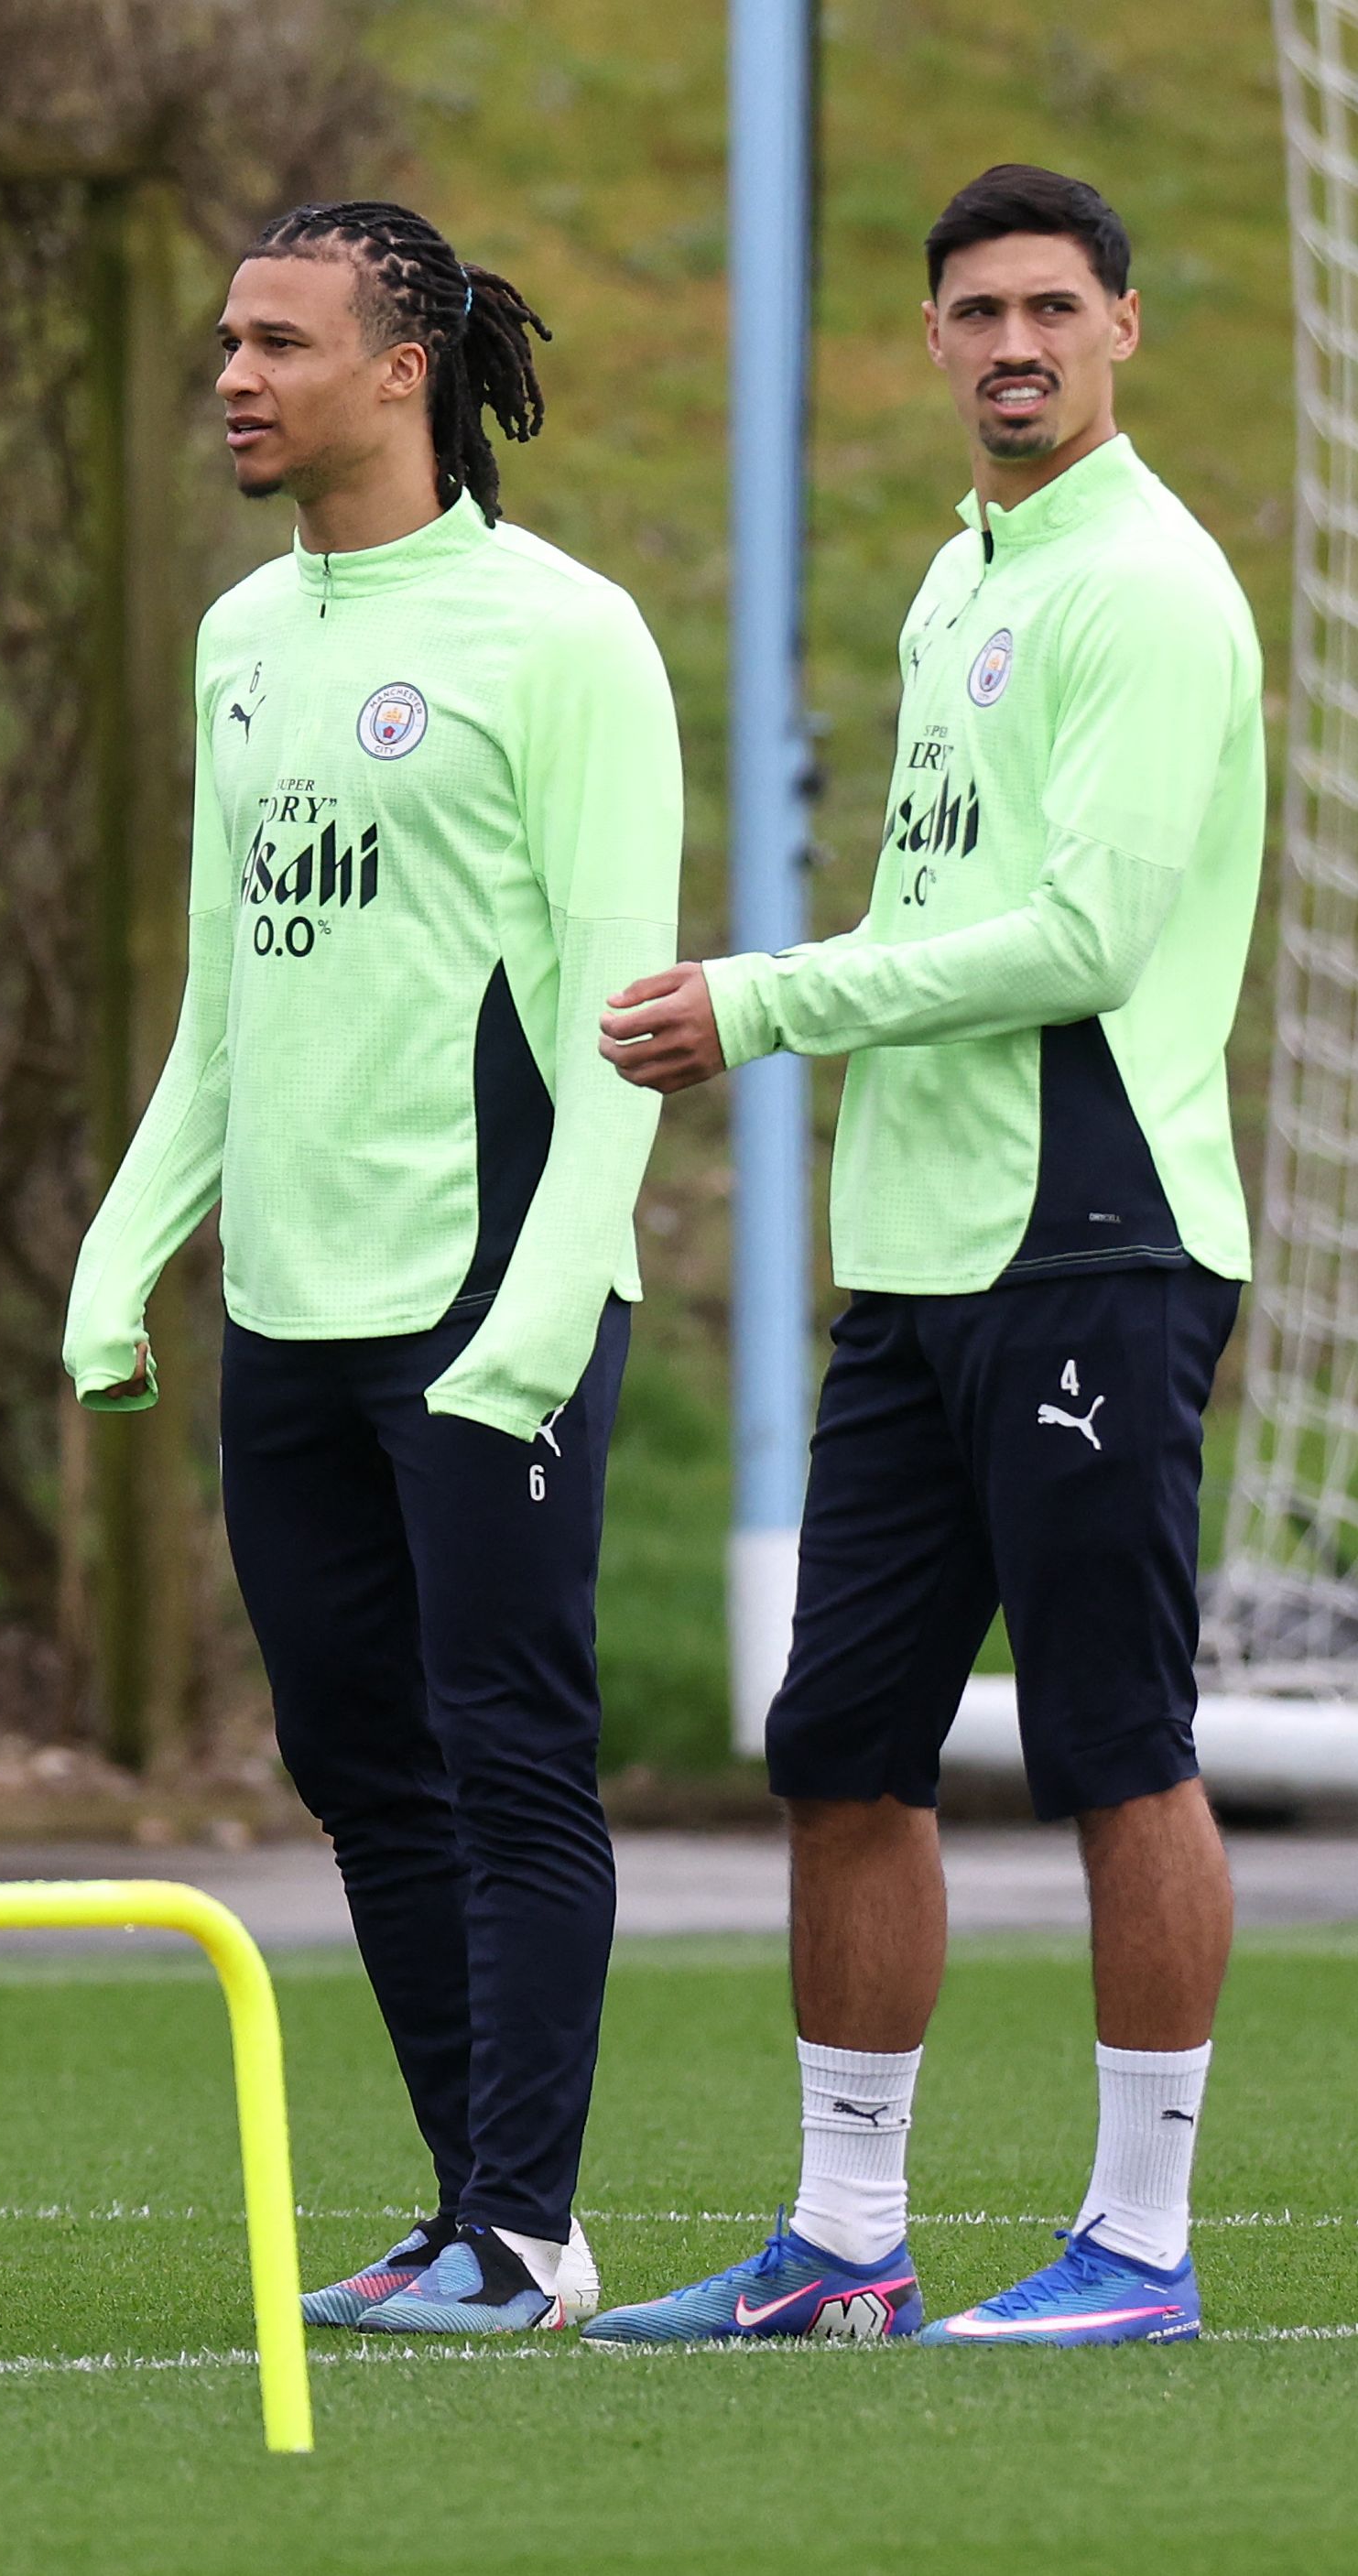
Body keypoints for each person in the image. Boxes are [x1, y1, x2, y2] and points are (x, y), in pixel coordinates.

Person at [587, 167, 1262, 2351]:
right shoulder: (962, 577)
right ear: (932, 338)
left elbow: (1086, 940)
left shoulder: (1143, 588)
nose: (1013, 345)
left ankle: (1137, 2249)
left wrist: (766, 1000)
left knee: (1114, 1744)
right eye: (976, 311)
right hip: (919, 1262)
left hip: (1093, 1244)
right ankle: (844, 2243)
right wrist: (771, 1016)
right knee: (840, 1747)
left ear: (1121, 328)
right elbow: (928, 912)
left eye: (1052, 308)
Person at [62, 201, 678, 2335]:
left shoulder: (561, 635)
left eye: (280, 343)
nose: (234, 377)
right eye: (227, 340)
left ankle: (530, 2228)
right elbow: (224, 1010)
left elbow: (618, 1022)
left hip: (487, 1300)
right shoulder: (242, 638)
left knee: (508, 1757)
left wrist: (540, 1312)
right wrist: (125, 1255)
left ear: (402, 368)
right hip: (290, 1319)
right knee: (357, 1769)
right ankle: (460, 2210)